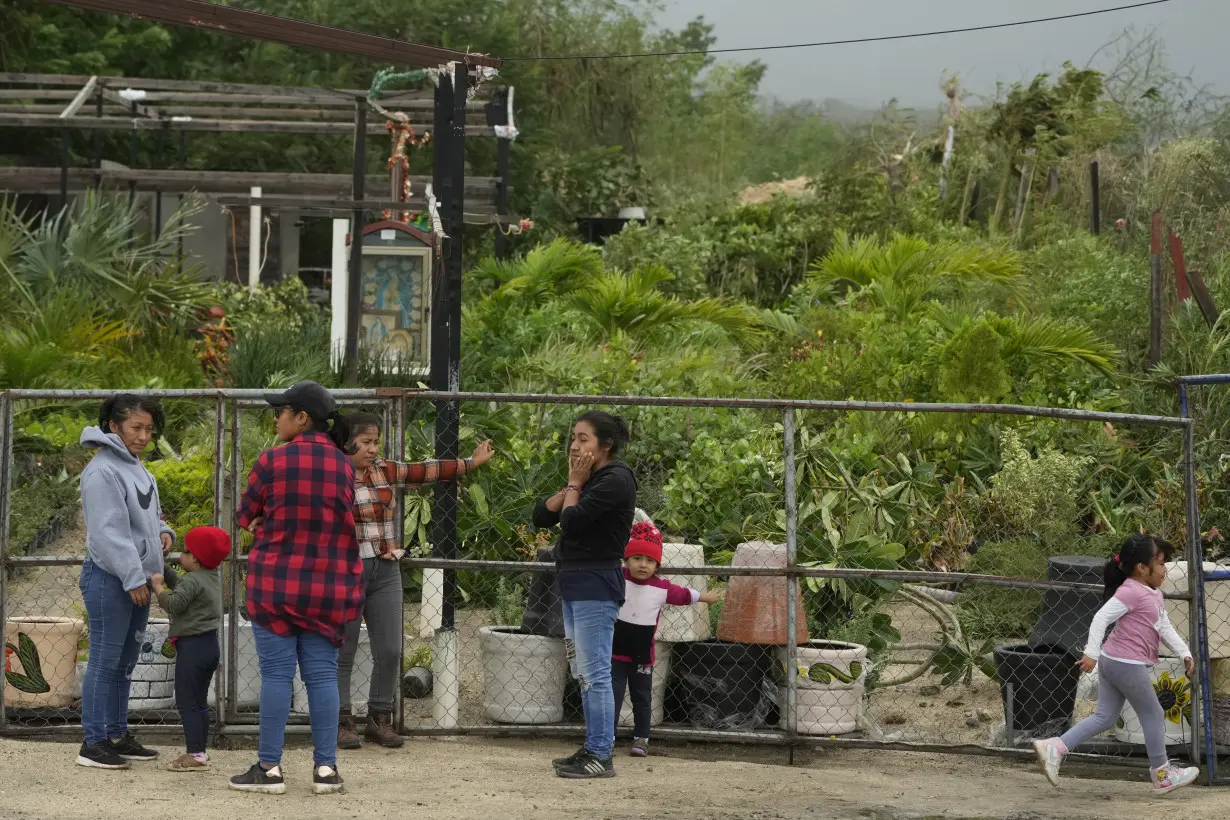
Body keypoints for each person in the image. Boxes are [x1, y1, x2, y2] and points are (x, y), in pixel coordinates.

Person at [229, 381, 361, 796]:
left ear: (301, 418)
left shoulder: (272, 460)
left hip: (276, 585)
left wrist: (267, 524)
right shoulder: (343, 464)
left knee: (276, 676)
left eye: (281, 410)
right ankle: (326, 770)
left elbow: (243, 517)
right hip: (328, 588)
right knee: (322, 677)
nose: (275, 417)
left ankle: (269, 769)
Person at [336, 412, 495, 749]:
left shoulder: (384, 470)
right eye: (365, 442)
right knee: (344, 649)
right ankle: (342, 719)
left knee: (391, 648)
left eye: (375, 441)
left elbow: (427, 470)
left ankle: (379, 718)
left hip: (385, 568)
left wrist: (471, 462)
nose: (372, 448)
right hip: (345, 570)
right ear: (347, 442)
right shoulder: (334, 475)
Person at [1032, 534, 1200, 794]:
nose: (1165, 569)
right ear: (1142, 568)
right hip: (1125, 663)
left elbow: (1163, 625)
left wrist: (1185, 653)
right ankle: (1163, 775)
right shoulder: (1131, 590)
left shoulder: (1151, 592)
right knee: (1154, 713)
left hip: (1115, 661)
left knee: (1105, 717)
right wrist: (1091, 653)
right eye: (1161, 563)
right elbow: (1101, 618)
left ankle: (1055, 747)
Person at [534, 411, 637, 779]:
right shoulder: (590, 480)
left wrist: (575, 483)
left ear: (605, 445)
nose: (575, 446)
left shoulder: (616, 479)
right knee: (582, 672)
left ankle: (601, 754)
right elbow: (542, 516)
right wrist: (573, 484)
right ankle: (593, 745)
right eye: (573, 437)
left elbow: (571, 521)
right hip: (575, 583)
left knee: (595, 673)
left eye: (584, 439)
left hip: (596, 584)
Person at [76, 395, 176, 770]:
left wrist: (165, 531)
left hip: (138, 580)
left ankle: (117, 734)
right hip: (111, 579)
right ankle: (93, 741)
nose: (143, 435)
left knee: (124, 663)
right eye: (136, 427)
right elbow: (107, 533)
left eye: (149, 429)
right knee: (104, 660)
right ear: (113, 426)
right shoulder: (102, 471)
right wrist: (134, 576)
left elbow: (149, 516)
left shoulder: (137, 468)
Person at [612, 521, 719, 757]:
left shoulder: (661, 587)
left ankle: (642, 738)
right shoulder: (617, 578)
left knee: (642, 698)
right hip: (614, 653)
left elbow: (683, 595)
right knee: (612, 696)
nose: (643, 565)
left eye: (650, 561)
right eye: (637, 558)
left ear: (657, 565)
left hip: (642, 655)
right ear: (626, 560)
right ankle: (605, 737)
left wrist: (705, 597)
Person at [150, 525, 230, 773]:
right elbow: (184, 585)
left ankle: (195, 754)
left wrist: (158, 586)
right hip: (208, 646)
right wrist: (164, 570)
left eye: (184, 552)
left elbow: (175, 603)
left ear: (194, 558)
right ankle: (200, 751)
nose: (180, 556)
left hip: (192, 648)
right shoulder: (210, 577)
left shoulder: (193, 581)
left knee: (186, 701)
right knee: (199, 702)